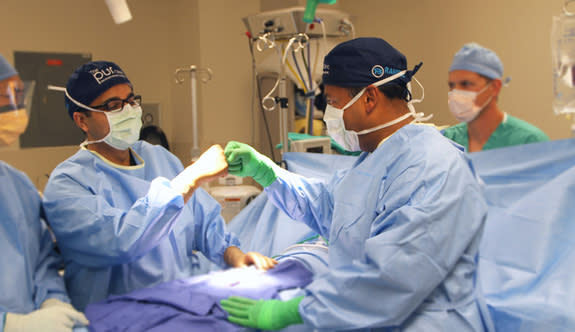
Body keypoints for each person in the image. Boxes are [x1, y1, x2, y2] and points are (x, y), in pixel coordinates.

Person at [220, 37, 488, 331]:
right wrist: (267, 173)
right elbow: (330, 207)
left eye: (333, 103)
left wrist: (296, 310)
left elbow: (391, 279)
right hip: (367, 316)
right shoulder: (376, 160)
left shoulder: (432, 169)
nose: (329, 117)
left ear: (369, 98)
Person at [42, 61, 277, 311]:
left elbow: (204, 223)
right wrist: (189, 179)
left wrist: (235, 256)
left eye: (131, 100)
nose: (129, 110)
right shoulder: (68, 184)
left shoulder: (159, 158)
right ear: (82, 120)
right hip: (115, 317)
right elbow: (121, 241)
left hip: (178, 304)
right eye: (113, 106)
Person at [0, 55, 89, 331]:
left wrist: (53, 301)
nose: (15, 108)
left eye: (18, 94)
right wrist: (8, 324)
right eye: (4, 98)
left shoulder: (17, 185)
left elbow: (41, 261)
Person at [444, 42, 549, 152]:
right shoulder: (450, 139)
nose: (456, 93)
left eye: (466, 84)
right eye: (451, 85)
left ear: (494, 87)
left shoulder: (529, 141)